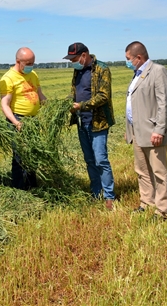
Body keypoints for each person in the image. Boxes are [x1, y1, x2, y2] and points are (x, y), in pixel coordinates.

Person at [125, 41, 167, 220]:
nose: (127, 62)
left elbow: (164, 103)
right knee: (142, 171)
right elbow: (133, 104)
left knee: (159, 172)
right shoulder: (137, 74)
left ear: (139, 57)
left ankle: (163, 210)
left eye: (128, 59)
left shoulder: (158, 72)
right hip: (137, 131)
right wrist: (129, 128)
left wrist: (159, 130)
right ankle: (146, 202)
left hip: (153, 132)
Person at [63, 42, 116, 210]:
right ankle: (96, 192)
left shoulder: (102, 69)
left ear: (84, 55)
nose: (73, 62)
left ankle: (109, 196)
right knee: (90, 160)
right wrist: (69, 103)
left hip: (97, 122)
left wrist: (82, 105)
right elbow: (75, 91)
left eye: (75, 58)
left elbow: (103, 96)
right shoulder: (77, 70)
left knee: (101, 160)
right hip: (81, 122)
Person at [0, 47, 47, 190]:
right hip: (18, 119)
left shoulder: (33, 74)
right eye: (28, 63)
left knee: (33, 153)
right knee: (20, 156)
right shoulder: (8, 78)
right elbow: (4, 104)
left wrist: (50, 107)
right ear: (18, 61)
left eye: (32, 63)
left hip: (33, 120)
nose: (30, 66)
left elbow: (40, 94)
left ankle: (32, 185)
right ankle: (20, 188)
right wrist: (16, 122)